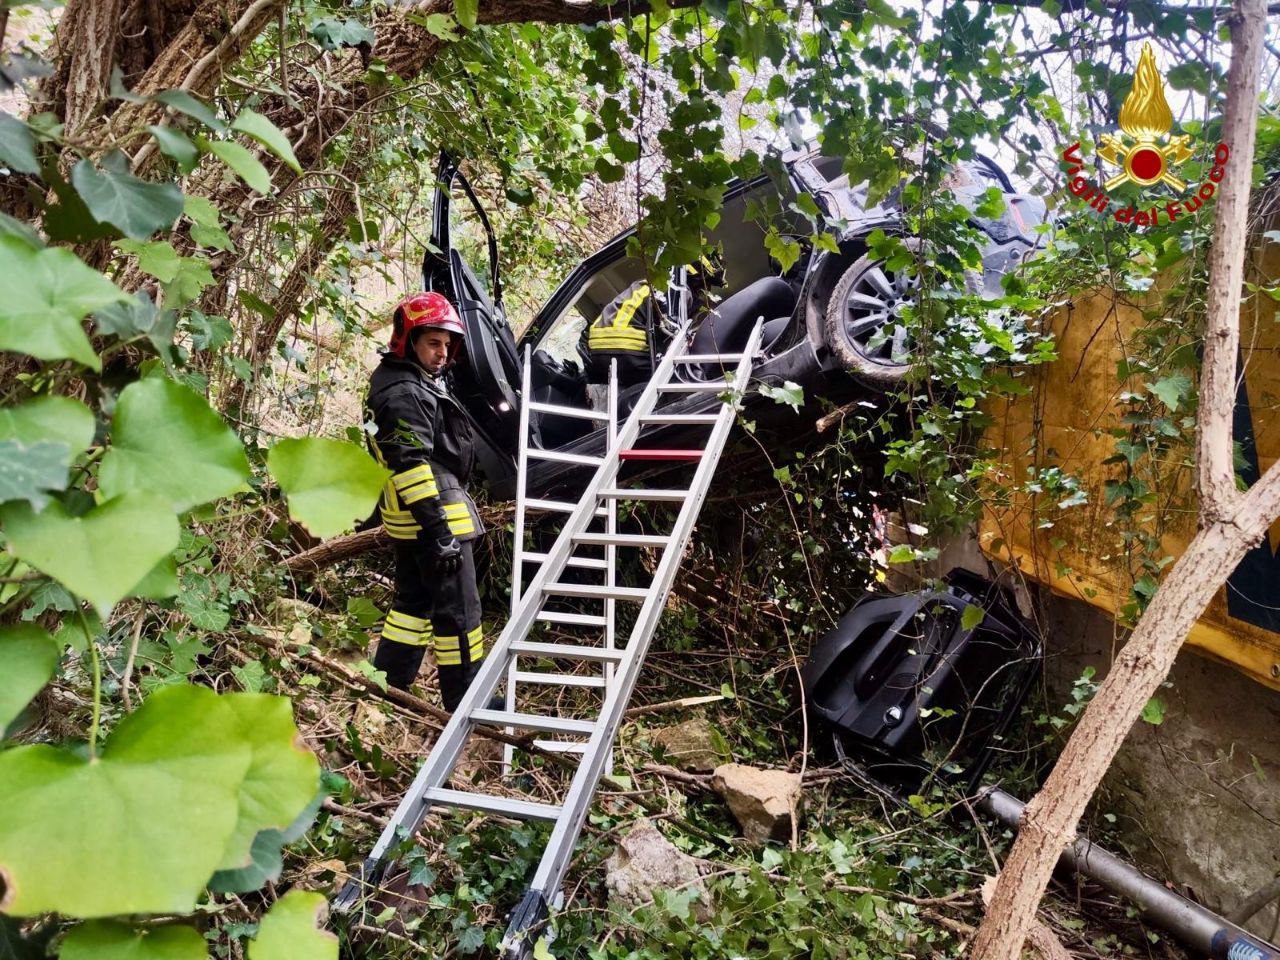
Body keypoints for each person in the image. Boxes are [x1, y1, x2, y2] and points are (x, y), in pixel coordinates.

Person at [365, 292, 487, 711]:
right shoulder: (403, 391)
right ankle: (465, 704)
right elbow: (410, 464)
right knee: (460, 617)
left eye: (447, 345)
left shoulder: (402, 380)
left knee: (412, 607)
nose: (443, 353)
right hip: (436, 521)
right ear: (408, 339)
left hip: (415, 521)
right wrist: (440, 532)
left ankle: (388, 687)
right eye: (433, 343)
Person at [581, 253, 725, 412]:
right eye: (707, 284)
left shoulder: (649, 284)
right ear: (697, 277)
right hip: (628, 349)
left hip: (598, 352)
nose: (707, 290)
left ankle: (611, 406)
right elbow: (673, 334)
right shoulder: (679, 290)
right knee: (678, 381)